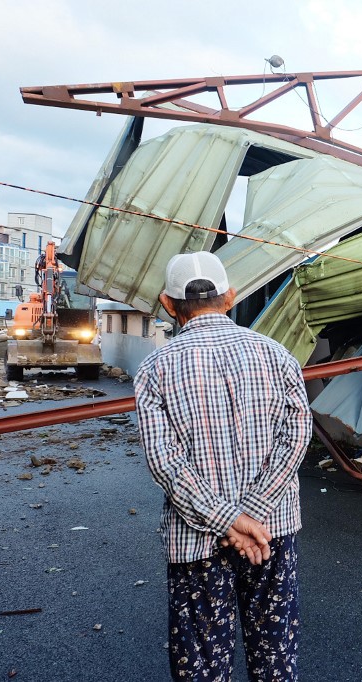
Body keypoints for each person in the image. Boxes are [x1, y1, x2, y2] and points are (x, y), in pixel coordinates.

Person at [134, 251, 312, 681]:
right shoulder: (278, 355)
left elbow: (165, 463)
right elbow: (297, 436)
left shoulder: (153, 370)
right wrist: (250, 515)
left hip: (195, 540)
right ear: (230, 297)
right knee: (275, 658)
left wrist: (228, 521)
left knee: (202, 664)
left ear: (167, 304)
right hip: (271, 533)